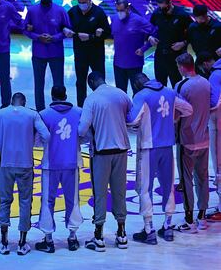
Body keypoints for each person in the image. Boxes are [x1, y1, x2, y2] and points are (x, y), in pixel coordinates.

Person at [127, 73, 192, 244]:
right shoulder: (170, 92)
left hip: (149, 147)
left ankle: (149, 230)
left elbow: (132, 120)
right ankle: (168, 227)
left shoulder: (142, 95)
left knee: (145, 188)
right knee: (168, 186)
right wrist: (173, 118)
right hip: (167, 146)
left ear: (136, 84)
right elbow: (188, 109)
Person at [0, 92, 50, 256]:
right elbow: (46, 136)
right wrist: (31, 142)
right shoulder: (32, 114)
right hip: (26, 164)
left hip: (6, 164)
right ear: (24, 102)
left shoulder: (0, 114)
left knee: (4, 202)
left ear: (11, 101)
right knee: (25, 202)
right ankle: (22, 242)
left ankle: (4, 242)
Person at [78, 71, 131, 252]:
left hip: (101, 152)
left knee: (100, 193)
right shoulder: (121, 94)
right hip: (122, 150)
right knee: (120, 192)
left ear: (92, 82)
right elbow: (131, 119)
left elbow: (82, 128)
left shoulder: (91, 99)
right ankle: (122, 233)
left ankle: (99, 235)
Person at [35, 86, 83, 253]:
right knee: (73, 200)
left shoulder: (43, 114)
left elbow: (37, 140)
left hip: (51, 164)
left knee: (48, 200)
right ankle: (72, 237)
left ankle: (48, 239)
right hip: (72, 163)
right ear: (66, 95)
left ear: (52, 96)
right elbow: (85, 134)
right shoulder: (79, 112)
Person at [174, 53, 210, 233]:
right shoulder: (206, 82)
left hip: (187, 139)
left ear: (181, 67)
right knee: (203, 178)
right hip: (204, 139)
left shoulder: (181, 85)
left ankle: (189, 221)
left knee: (187, 179)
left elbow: (176, 114)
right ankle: (202, 217)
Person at [24, 0, 70, 111]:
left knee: (58, 83)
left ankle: (59, 107)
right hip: (38, 53)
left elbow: (67, 30)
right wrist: (37, 37)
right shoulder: (32, 10)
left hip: (56, 53)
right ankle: (40, 110)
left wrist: (54, 38)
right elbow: (25, 30)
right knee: (38, 84)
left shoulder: (60, 11)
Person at [67, 0, 111, 107]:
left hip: (96, 53)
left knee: (99, 81)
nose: (82, 4)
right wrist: (65, 30)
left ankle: (101, 105)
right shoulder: (72, 11)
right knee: (80, 82)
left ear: (90, 0)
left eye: (84, 2)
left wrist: (91, 37)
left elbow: (108, 32)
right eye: (79, 2)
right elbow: (64, 25)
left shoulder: (99, 12)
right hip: (80, 53)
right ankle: (81, 107)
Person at [195, 52, 221, 221]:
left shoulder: (216, 74)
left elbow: (214, 101)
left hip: (218, 124)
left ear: (205, 64)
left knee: (219, 164)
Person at [110, 0, 155, 93]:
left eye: (121, 10)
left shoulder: (138, 20)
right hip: (118, 64)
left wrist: (144, 48)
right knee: (120, 94)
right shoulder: (114, 18)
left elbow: (155, 33)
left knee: (138, 93)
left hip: (135, 64)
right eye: (117, 10)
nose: (119, 13)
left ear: (128, 9)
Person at [149, 0, 192, 87]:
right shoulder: (157, 13)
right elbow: (149, 28)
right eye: (160, 6)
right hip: (160, 54)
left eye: (164, 6)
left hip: (176, 56)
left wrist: (184, 43)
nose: (161, 9)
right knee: (160, 85)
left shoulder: (182, 14)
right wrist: (150, 37)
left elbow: (192, 32)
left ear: (170, 2)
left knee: (176, 85)